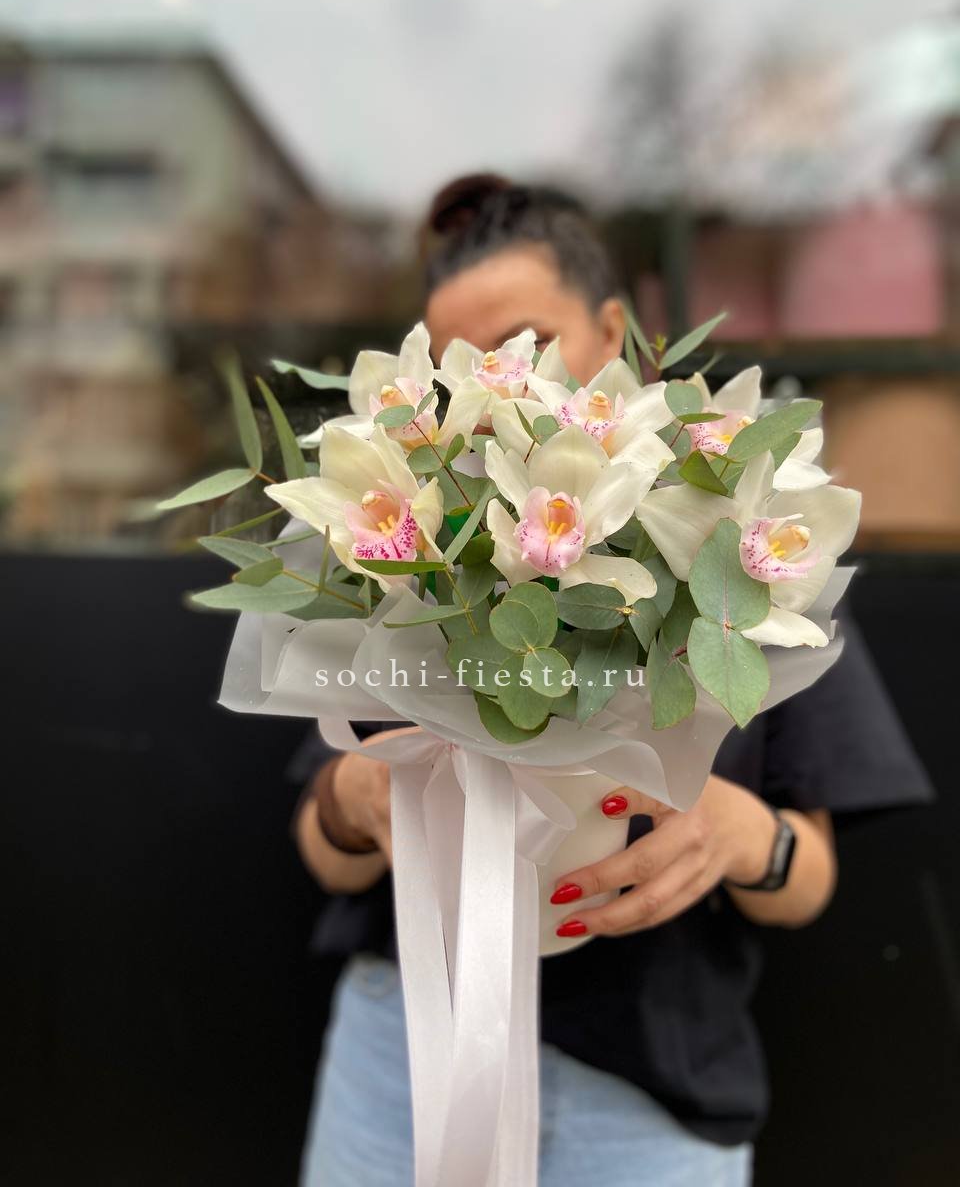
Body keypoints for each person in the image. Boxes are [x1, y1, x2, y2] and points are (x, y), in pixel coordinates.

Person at [290, 174, 935, 1187]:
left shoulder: (745, 540)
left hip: (648, 1094)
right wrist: (364, 797)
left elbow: (809, 877)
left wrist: (739, 835)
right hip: (407, 1057)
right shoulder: (402, 553)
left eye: (526, 344)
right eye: (464, 367)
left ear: (612, 331)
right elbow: (326, 851)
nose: (500, 385)